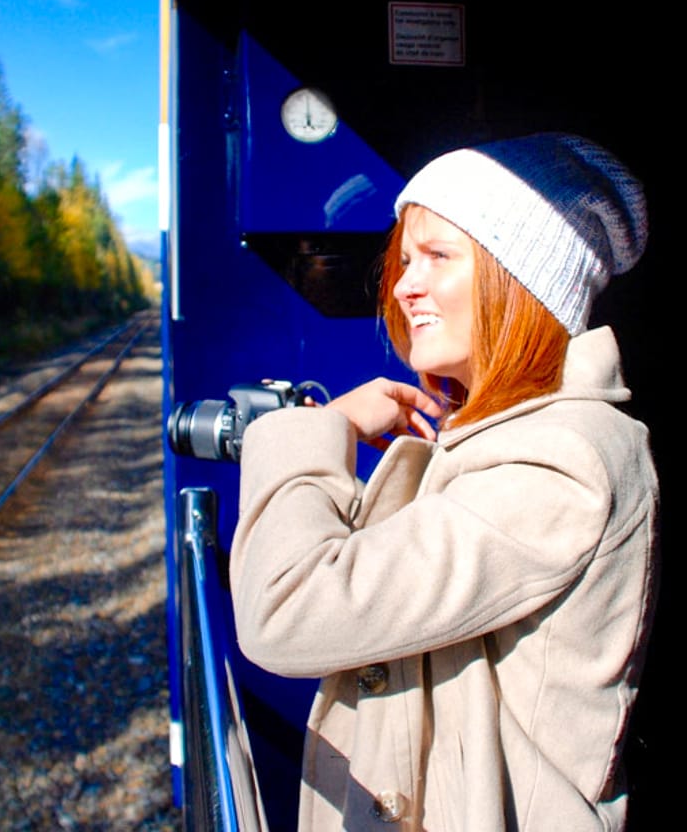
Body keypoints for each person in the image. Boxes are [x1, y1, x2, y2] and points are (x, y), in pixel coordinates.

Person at [229, 132, 659, 831]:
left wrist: (318, 434)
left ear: (519, 276)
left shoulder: (562, 460)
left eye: (437, 256)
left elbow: (287, 611)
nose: (402, 285)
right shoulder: (503, 438)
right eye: (403, 260)